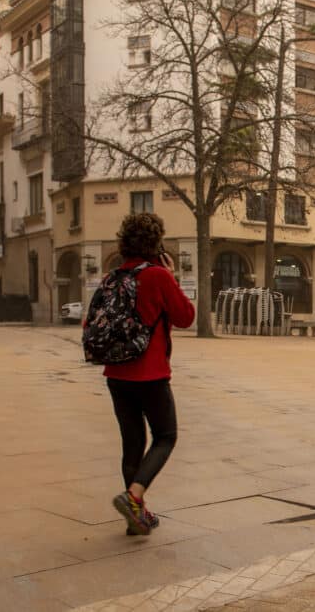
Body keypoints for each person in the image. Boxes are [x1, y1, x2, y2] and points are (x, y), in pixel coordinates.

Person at [104, 213, 195, 536]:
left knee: (132, 444)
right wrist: (172, 277)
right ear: (156, 242)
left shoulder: (113, 277)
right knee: (166, 436)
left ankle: (136, 518)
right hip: (150, 373)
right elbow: (185, 316)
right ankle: (134, 497)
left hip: (116, 373)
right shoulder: (157, 275)